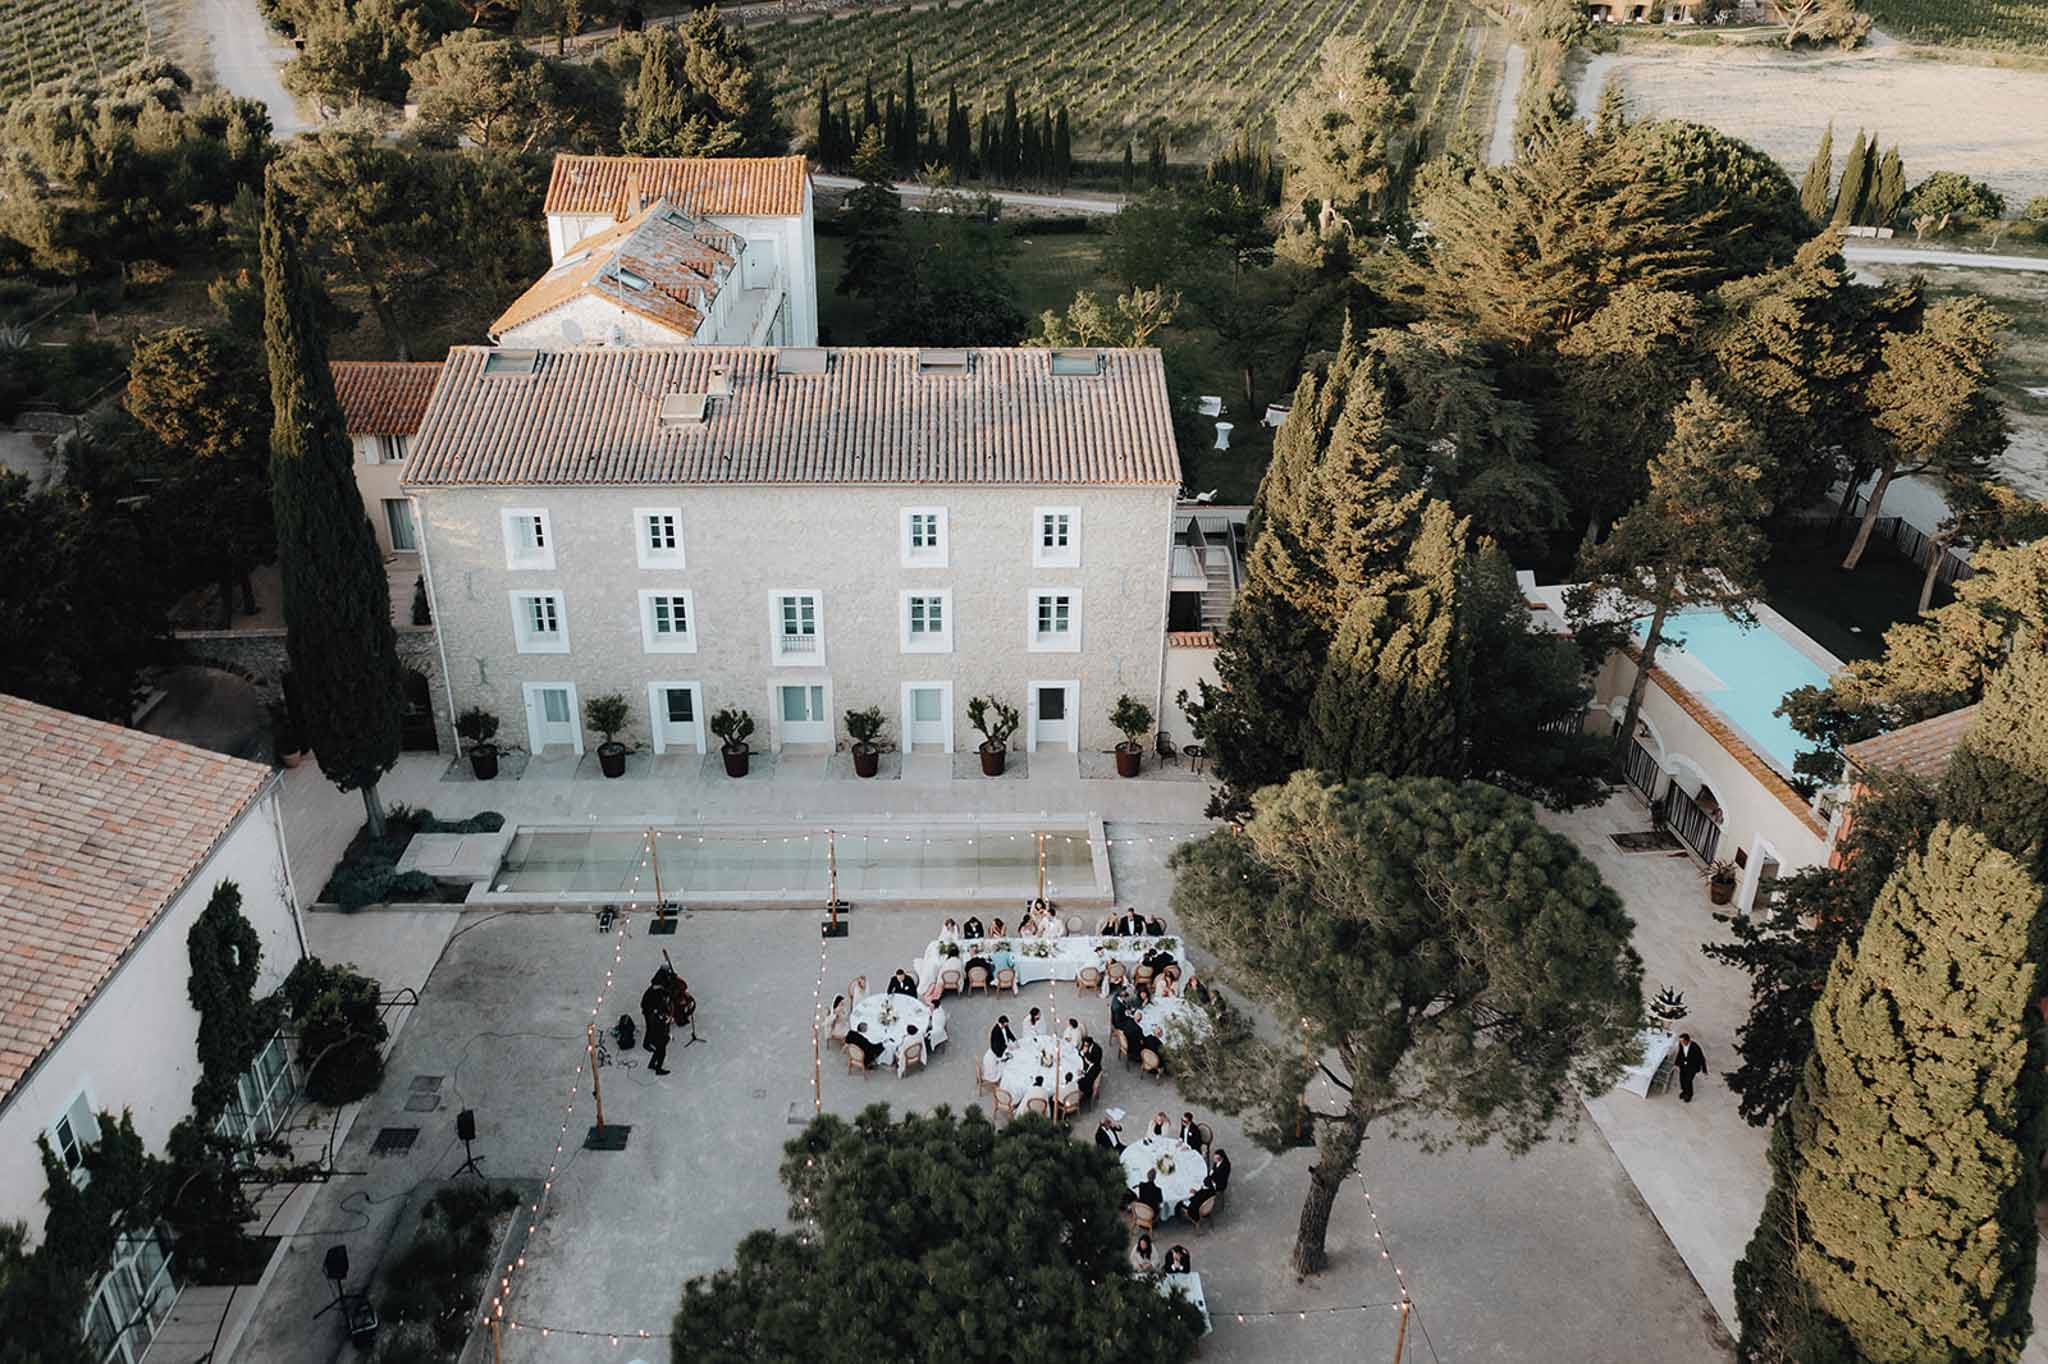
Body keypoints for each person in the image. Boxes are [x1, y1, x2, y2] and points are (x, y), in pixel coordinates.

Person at [1676, 1033, 1708, 1103]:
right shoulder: (1681, 1045)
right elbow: (1680, 1053)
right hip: (1683, 1066)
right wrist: (1677, 1063)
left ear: (1687, 1041)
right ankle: (1684, 1092)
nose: (1681, 1043)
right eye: (1680, 1041)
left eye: (1682, 1041)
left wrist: (1704, 1069)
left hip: (1692, 1067)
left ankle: (1689, 1095)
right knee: (1682, 1079)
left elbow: (1701, 1058)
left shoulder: (1695, 1047)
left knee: (1688, 1081)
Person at [639, 976, 668, 1052]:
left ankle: (653, 1040)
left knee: (654, 1026)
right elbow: (648, 1004)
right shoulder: (655, 993)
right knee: (650, 1027)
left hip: (651, 1011)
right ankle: (646, 1044)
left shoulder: (654, 990)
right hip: (649, 1012)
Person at [645, 1001, 672, 1076]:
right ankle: (658, 1069)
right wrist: (666, 1021)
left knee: (658, 1051)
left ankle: (652, 1064)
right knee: (662, 1053)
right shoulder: (659, 1018)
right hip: (659, 1037)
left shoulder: (655, 1014)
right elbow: (661, 1027)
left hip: (656, 1037)